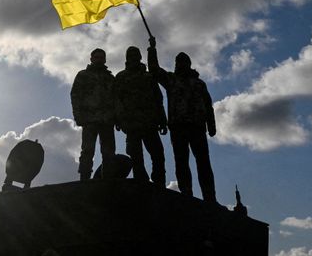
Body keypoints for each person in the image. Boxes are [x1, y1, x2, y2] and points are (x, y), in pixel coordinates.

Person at [148, 37, 217, 203]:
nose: (181, 64)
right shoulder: (171, 80)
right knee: (181, 162)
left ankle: (210, 197)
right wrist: (152, 49)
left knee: (203, 163)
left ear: (189, 63)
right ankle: (187, 193)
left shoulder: (199, 83)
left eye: (184, 61)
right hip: (178, 127)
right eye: (179, 61)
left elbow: (208, 104)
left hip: (197, 127)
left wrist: (211, 124)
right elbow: (155, 70)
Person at [114, 45, 167, 187]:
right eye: (130, 55)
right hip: (131, 124)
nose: (133, 58)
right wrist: (119, 119)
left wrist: (163, 119)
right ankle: (140, 182)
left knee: (158, 155)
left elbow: (158, 99)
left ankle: (159, 183)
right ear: (127, 58)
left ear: (140, 57)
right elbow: (116, 100)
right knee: (136, 157)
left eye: (135, 55)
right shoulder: (121, 77)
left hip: (150, 123)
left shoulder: (148, 76)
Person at [70, 47, 115, 180]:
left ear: (105, 59)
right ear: (91, 59)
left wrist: (117, 118)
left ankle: (107, 179)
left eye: (101, 57)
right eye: (96, 57)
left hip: (107, 120)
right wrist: (78, 116)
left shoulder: (110, 78)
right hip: (89, 120)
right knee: (87, 151)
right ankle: (84, 178)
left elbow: (116, 98)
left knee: (108, 153)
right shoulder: (83, 75)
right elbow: (75, 95)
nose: (99, 60)